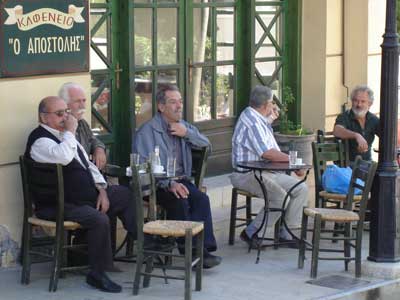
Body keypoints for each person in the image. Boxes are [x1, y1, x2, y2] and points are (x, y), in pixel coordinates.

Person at [25, 96, 137, 293]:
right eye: (59, 114)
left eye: (66, 112)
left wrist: (102, 190)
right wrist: (70, 132)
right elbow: (65, 157)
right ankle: (97, 273)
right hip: (58, 204)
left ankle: (141, 239)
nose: (65, 117)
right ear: (44, 118)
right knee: (99, 219)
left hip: (83, 198)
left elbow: (89, 166)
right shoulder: (40, 140)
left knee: (124, 194)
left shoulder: (65, 137)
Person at [133, 84, 222, 269]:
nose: (179, 106)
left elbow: (208, 146)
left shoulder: (184, 126)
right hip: (156, 185)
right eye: (173, 102)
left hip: (181, 180)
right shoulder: (146, 132)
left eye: (180, 101)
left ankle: (203, 250)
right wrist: (168, 183)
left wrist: (187, 133)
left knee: (201, 199)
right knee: (180, 200)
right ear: (161, 107)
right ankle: (189, 251)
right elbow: (142, 167)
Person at [230, 85, 308, 249]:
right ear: (266, 104)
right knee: (279, 197)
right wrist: (294, 163)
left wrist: (269, 120)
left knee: (301, 188)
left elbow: (267, 147)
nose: (274, 106)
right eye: (272, 103)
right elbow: (267, 153)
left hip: (266, 171)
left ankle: (288, 233)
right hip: (248, 174)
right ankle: (252, 232)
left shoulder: (258, 119)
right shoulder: (252, 121)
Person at [58, 83, 107, 170]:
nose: (83, 106)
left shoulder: (82, 123)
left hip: (89, 174)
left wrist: (99, 149)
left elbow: (93, 140)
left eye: (84, 101)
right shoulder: (59, 126)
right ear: (65, 104)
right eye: (77, 101)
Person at [333, 85, 380, 161]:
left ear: (370, 104)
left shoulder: (373, 119)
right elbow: (337, 131)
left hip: (367, 162)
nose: (359, 104)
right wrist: (356, 135)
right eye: (356, 100)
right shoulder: (344, 116)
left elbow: (386, 136)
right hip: (346, 165)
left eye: (363, 101)